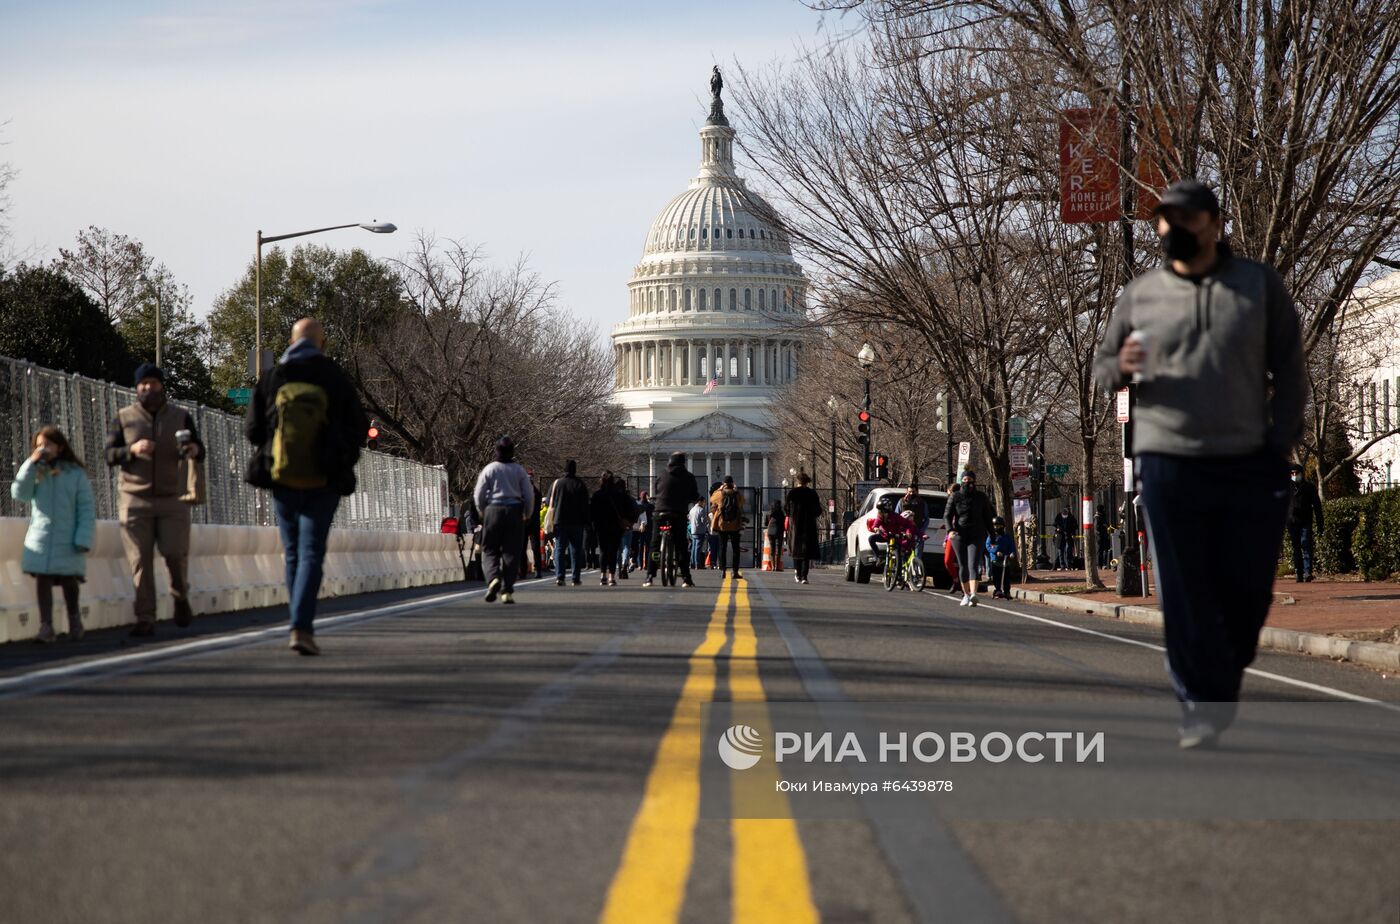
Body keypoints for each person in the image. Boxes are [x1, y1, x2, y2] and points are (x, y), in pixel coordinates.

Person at [1093, 178, 1305, 749]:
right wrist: (1121, 365)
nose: (1172, 229)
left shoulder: (1258, 286)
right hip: (1167, 459)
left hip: (1247, 458)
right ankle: (1198, 702)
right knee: (1183, 589)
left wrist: (1280, 441)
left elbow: (1290, 370)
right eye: (1164, 219)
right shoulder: (1141, 294)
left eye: (1185, 218)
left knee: (1247, 589)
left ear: (1214, 224)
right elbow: (1103, 366)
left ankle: (1221, 677)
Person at [245, 318, 368, 655]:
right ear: (321, 344)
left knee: (293, 552)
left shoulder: (273, 378)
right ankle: (302, 626)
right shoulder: (334, 378)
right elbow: (359, 427)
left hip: (282, 477)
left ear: (292, 340)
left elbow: (253, 430)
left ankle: (296, 622)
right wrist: (339, 455)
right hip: (324, 478)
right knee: (312, 551)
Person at [105, 362, 204, 638]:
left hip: (173, 498)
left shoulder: (181, 416)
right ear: (137, 388)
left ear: (162, 387)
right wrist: (131, 450)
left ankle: (180, 594)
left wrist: (193, 448)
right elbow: (109, 455)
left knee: (174, 553)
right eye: (143, 384)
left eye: (153, 383)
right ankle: (145, 617)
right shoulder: (124, 418)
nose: (148, 388)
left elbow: (201, 449)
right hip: (134, 498)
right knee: (140, 561)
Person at [11, 427, 95, 643]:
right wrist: (30, 463)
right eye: (39, 445)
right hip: (42, 535)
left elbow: (85, 508)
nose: (43, 449)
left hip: (68, 536)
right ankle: (46, 625)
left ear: (60, 447)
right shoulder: (37, 471)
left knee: (69, 579)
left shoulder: (75, 474)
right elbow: (19, 493)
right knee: (43, 578)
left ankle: (74, 620)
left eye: (48, 444)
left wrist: (83, 537)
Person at [472, 436, 535, 605]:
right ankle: (507, 590)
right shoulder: (519, 471)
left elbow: (478, 494)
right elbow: (529, 495)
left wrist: (482, 511)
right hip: (514, 511)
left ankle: (493, 578)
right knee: (511, 552)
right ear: (512, 452)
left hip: (493, 510)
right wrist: (527, 514)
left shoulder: (489, 469)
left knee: (490, 549)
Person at [643, 452, 700, 588]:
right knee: (681, 545)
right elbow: (694, 495)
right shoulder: (688, 477)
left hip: (660, 512)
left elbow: (657, 491)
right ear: (683, 462)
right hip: (678, 514)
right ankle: (686, 578)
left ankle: (649, 576)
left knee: (655, 545)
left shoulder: (662, 475)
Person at [943, 469, 995, 606]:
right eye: (964, 480)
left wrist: (993, 535)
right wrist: (950, 530)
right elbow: (947, 515)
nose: (967, 482)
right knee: (963, 565)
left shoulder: (981, 497)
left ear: (974, 481)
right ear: (961, 481)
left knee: (973, 564)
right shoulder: (955, 496)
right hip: (959, 535)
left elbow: (988, 517)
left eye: (970, 480)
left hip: (977, 534)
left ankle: (973, 595)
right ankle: (965, 594)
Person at [545, 460, 590, 586]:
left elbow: (549, 502)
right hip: (577, 522)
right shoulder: (580, 484)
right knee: (575, 550)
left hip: (560, 521)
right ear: (575, 469)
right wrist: (586, 521)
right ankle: (575, 577)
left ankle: (560, 576)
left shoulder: (557, 484)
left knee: (559, 548)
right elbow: (585, 505)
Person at [866, 494, 918, 587]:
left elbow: (908, 524)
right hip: (885, 536)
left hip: (896, 537)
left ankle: (898, 577)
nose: (881, 513)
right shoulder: (880, 517)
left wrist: (908, 533)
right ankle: (879, 558)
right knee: (871, 539)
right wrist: (876, 529)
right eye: (880, 511)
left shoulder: (896, 516)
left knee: (898, 555)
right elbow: (875, 524)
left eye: (883, 511)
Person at [590, 473, 631, 586]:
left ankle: (602, 575)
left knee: (603, 551)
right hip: (615, 526)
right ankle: (611, 577)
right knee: (613, 551)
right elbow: (627, 509)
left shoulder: (597, 495)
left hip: (601, 526)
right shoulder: (618, 495)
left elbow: (592, 512)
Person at [1287, 464, 1324, 583]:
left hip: (1306, 521)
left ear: (1302, 474)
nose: (1294, 476)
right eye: (1292, 473)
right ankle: (1299, 572)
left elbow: (1317, 506)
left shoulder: (1309, 488)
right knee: (1296, 548)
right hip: (1292, 522)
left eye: (1296, 473)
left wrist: (1320, 524)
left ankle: (1308, 572)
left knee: (1306, 544)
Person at [785, 471, 823, 585]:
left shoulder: (792, 493)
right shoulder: (812, 494)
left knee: (796, 550)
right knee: (806, 552)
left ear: (797, 481)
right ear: (807, 482)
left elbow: (786, 508)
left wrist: (791, 515)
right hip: (808, 525)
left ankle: (797, 573)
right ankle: (804, 576)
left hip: (795, 524)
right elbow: (818, 510)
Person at [709, 475, 745, 580]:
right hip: (735, 524)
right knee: (735, 549)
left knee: (722, 548)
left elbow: (712, 499)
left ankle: (723, 571)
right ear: (732, 483)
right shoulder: (736, 494)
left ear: (724, 483)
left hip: (722, 525)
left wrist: (719, 489)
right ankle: (735, 571)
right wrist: (736, 490)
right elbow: (743, 502)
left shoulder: (720, 494)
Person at [986, 516, 1018, 599]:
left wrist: (1012, 553)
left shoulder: (1007, 537)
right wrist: (996, 552)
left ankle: (1007, 591)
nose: (996, 528)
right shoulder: (991, 537)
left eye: (998, 526)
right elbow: (988, 546)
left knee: (1006, 577)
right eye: (995, 526)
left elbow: (1011, 546)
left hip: (1005, 560)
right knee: (996, 576)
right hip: (995, 560)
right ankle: (998, 589)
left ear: (1002, 526)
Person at [522, 471, 543, 578]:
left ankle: (523, 571)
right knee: (536, 547)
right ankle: (538, 569)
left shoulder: (522, 493)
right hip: (534, 522)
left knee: (523, 547)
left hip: (525, 522)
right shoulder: (537, 493)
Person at [688, 498, 710, 569]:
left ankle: (692, 564)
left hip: (693, 530)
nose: (705, 504)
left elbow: (689, 518)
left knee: (694, 548)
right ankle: (697, 564)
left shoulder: (692, 509)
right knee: (698, 548)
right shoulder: (701, 510)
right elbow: (704, 521)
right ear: (700, 502)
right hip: (700, 530)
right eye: (704, 502)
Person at [765, 499, 786, 568]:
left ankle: (773, 566)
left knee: (772, 548)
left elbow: (766, 523)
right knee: (778, 548)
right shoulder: (782, 513)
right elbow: (784, 522)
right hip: (779, 531)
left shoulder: (770, 513)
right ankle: (777, 566)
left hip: (770, 531)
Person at [1095, 504, 1112, 568]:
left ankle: (1104, 564)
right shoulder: (1097, 517)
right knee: (1100, 550)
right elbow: (1097, 528)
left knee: (1105, 550)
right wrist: (1103, 526)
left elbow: (1106, 524)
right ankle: (1100, 564)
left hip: (1104, 535)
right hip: (1100, 536)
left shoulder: (1102, 516)